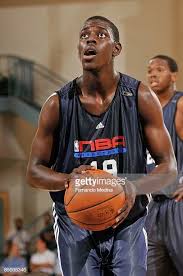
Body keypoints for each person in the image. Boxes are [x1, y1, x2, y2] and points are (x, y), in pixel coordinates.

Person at [26, 16, 176, 276]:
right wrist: (67, 179)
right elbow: (34, 171)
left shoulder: (139, 96)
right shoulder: (57, 104)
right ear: (79, 49)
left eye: (101, 35)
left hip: (127, 218)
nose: (90, 39)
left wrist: (134, 187)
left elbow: (169, 167)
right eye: (84, 36)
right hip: (75, 222)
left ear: (116, 49)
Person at [146, 55, 183, 275]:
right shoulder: (144, 111)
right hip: (154, 206)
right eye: (150, 70)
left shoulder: (179, 104)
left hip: (178, 203)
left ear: (174, 76)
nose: (153, 74)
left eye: (159, 69)